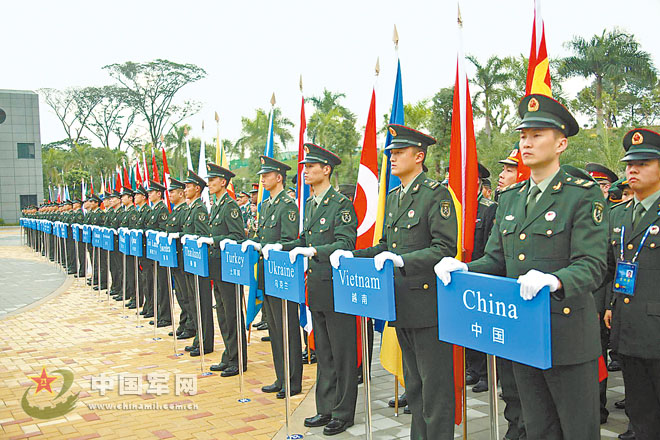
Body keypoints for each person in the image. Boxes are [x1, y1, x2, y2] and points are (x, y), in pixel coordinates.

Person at [436, 94, 608, 440]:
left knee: (577, 430)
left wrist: (555, 280)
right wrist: (464, 269)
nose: (526, 142)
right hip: (523, 335)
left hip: (566, 336)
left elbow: (593, 266)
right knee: (538, 428)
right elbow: (497, 260)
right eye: (523, 135)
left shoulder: (582, 195)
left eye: (537, 135)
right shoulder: (511, 199)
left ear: (561, 143)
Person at [332, 124, 458, 439]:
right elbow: (386, 246)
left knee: (435, 387)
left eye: (399, 153)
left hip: (428, 305)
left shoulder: (435, 193)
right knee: (414, 385)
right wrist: (351, 256)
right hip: (400, 303)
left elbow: (444, 248)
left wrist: (403, 261)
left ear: (419, 156)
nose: (392, 158)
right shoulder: (394, 196)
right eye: (390, 153)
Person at [263, 143, 358, 436]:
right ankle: (326, 407)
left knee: (342, 352)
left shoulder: (340, 203)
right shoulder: (313, 203)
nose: (305, 172)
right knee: (324, 350)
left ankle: (344, 412)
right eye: (304, 167)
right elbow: (304, 239)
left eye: (311, 167)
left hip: (336, 287)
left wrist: (315, 250)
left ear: (326, 170)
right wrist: (282, 246)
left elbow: (345, 243)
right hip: (316, 287)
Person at [604, 128, 660, 440]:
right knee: (639, 412)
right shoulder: (618, 214)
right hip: (627, 328)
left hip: (657, 330)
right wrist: (610, 304)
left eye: (644, 163)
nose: (633, 170)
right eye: (629, 164)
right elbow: (610, 267)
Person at [243, 156, 302, 397]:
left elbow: (288, 242)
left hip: (282, 274)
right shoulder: (265, 206)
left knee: (287, 328)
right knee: (275, 330)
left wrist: (273, 247)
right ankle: (281, 376)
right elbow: (262, 237)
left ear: (279, 177)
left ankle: (293, 381)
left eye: (266, 175)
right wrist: (253, 243)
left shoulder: (287, 205)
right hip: (267, 272)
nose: (263, 179)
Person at [196, 163, 247, 377]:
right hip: (217, 267)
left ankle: (239, 358)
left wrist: (214, 240)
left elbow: (238, 237)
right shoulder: (217, 205)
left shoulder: (230, 206)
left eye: (213, 180)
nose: (209, 183)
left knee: (232, 313)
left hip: (229, 267)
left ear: (223, 182)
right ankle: (229, 354)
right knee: (223, 314)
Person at [181, 170, 213, 357]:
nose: (185, 189)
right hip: (191, 261)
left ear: (197, 189)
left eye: (188, 186)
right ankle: (198, 339)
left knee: (201, 303)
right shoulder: (190, 208)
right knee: (193, 302)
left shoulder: (199, 209)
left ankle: (205, 341)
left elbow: (202, 235)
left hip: (198, 262)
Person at [165, 178, 195, 339]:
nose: (170, 195)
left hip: (183, 257)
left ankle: (190, 325)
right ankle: (184, 322)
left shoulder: (185, 210)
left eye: (173, 192)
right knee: (181, 294)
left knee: (187, 295)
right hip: (175, 257)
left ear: (181, 193)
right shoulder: (176, 210)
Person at [144, 182, 171, 327]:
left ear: (159, 194)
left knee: (162, 285)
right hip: (153, 252)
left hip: (161, 253)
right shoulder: (154, 210)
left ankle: (165, 316)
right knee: (157, 284)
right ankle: (160, 313)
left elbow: (163, 231)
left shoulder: (162, 210)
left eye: (152, 192)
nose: (149, 194)